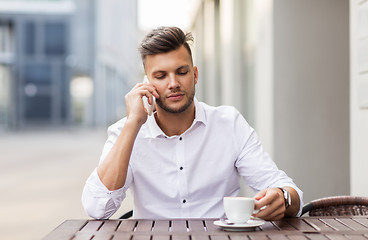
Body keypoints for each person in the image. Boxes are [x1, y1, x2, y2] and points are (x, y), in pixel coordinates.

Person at [82, 26, 303, 220]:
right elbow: (97, 207)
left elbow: (291, 193)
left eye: (182, 72)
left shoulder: (229, 123)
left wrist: (282, 198)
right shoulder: (126, 131)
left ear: (195, 75)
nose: (173, 83)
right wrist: (133, 124)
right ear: (146, 84)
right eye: (160, 76)